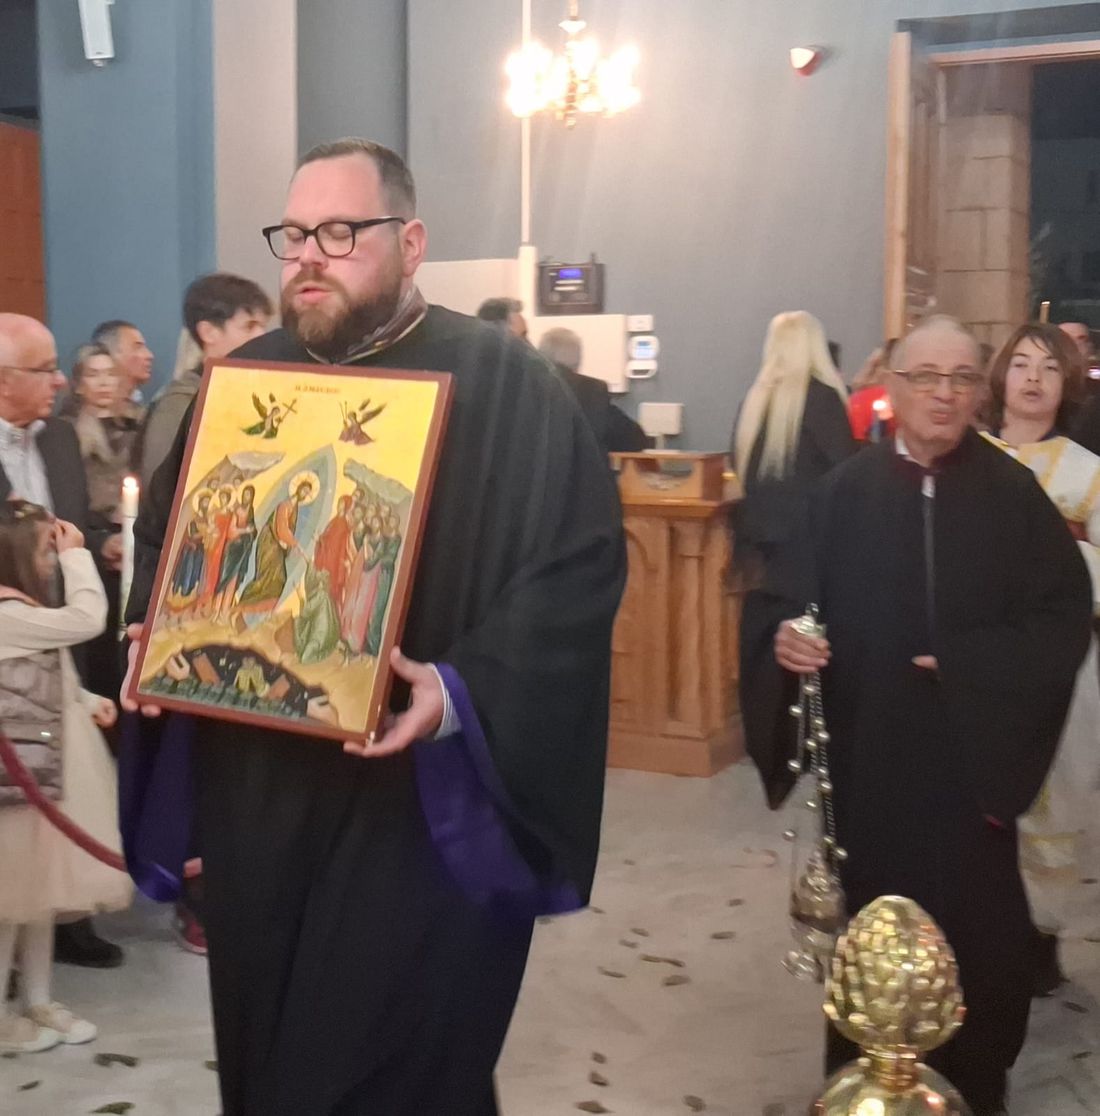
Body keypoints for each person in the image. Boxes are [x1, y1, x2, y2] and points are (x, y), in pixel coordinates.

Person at [122, 137, 624, 1116]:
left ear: (411, 243)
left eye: (341, 232)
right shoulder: (246, 382)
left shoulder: (507, 384)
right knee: (270, 1052)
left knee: (385, 1072)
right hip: (259, 796)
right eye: (294, 234)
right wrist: (164, 633)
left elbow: (576, 569)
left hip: (414, 805)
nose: (310, 255)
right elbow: (173, 539)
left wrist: (460, 688)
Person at [762, 314, 1092, 1114]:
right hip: (872, 763)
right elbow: (784, 603)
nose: (944, 395)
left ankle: (973, 1086)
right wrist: (786, 641)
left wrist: (974, 665)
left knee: (984, 947)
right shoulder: (841, 494)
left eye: (961, 378)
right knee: (872, 927)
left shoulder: (1013, 494)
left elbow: (1062, 616)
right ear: (894, 386)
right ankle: (866, 1087)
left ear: (979, 391)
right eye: (926, 378)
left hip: (972, 769)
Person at [0, 313, 124, 970]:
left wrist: (99, 543)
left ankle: (68, 926)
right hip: (8, 645)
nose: (60, 382)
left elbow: (72, 521)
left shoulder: (58, 438)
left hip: (61, 644)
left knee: (63, 787)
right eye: (44, 369)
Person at [983, 322, 1100, 994]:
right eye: (1022, 363)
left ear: (1068, 384)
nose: (1033, 378)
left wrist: (1054, 554)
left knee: (1053, 796)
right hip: (978, 662)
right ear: (1001, 375)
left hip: (1060, 667)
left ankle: (1040, 938)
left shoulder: (1086, 471)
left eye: (1050, 368)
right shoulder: (966, 456)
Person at [0, 501, 132, 1053]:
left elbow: (47, 670)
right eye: (45, 552)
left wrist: (87, 698)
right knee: (9, 904)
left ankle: (38, 999)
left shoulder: (24, 612)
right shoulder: (6, 614)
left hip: (50, 767)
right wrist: (81, 557)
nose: (52, 561)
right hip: (17, 782)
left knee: (39, 899)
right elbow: (86, 621)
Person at [731, 310, 854, 807]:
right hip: (811, 558)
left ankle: (773, 768)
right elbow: (846, 476)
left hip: (760, 561)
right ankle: (810, 763)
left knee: (765, 671)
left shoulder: (754, 402)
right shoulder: (823, 401)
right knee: (808, 668)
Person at [136, 274, 273, 487]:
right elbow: (160, 486)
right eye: (249, 326)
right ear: (208, 332)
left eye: (263, 326)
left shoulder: (258, 393)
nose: (261, 336)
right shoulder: (180, 403)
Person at [62, 343, 141, 711]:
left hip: (133, 542)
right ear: (79, 385)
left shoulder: (138, 426)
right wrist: (101, 539)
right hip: (90, 546)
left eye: (110, 373)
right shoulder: (67, 435)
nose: (104, 382)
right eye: (94, 375)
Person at [537, 327, 647, 454]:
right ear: (577, 358)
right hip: (582, 466)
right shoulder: (592, 390)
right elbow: (634, 439)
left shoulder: (527, 387)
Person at [89, 320, 154, 419]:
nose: (149, 356)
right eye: (138, 347)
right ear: (110, 355)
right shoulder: (91, 416)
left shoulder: (140, 411)